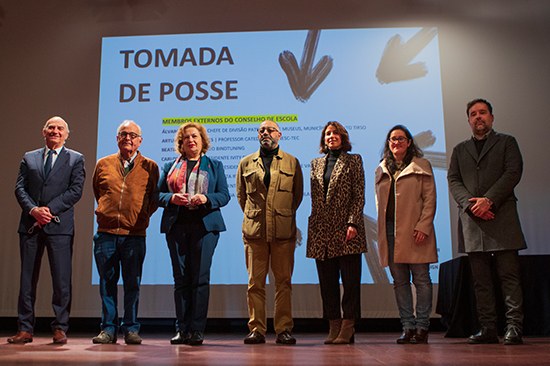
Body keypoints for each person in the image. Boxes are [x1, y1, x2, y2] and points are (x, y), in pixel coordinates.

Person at [448, 98, 526, 345]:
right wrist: (472, 205)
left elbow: (513, 172)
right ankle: (488, 328)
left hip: (501, 217)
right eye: (473, 114)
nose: (478, 117)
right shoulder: (460, 150)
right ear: (468, 120)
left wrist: (489, 200)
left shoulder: (507, 142)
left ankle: (514, 327)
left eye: (483, 112)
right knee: (481, 281)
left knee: (509, 278)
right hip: (474, 222)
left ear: (491, 117)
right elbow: (453, 179)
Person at [9, 116, 85, 345]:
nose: (55, 131)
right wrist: (34, 210)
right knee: (26, 279)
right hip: (30, 225)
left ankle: (60, 328)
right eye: (51, 127)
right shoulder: (29, 157)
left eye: (60, 128)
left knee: (61, 279)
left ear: (67, 134)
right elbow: (19, 188)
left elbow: (76, 191)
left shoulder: (76, 159)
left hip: (59, 226)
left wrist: (48, 210)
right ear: (44, 132)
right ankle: (25, 329)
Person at [158, 122, 230, 346]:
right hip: (177, 226)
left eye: (195, 137)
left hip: (204, 227)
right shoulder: (170, 166)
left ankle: (197, 330)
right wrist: (171, 198)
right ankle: (182, 328)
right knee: (180, 279)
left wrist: (207, 199)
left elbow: (224, 195)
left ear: (202, 141)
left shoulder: (214, 165)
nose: (191, 140)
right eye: (186, 137)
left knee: (199, 279)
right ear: (181, 143)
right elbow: (157, 195)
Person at [91, 120, 159, 345]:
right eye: (123, 134)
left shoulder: (150, 166)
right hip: (106, 233)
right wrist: (107, 212)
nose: (127, 138)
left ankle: (130, 328)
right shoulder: (103, 164)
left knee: (132, 283)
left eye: (132, 135)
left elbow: (153, 199)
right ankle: (108, 329)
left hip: (134, 235)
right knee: (106, 283)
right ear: (117, 138)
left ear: (140, 140)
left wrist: (141, 218)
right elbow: (98, 192)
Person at [236, 120, 303, 345]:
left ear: (279, 135)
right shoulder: (246, 163)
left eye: (270, 129)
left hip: (283, 232)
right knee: (255, 283)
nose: (265, 133)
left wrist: (280, 215)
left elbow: (297, 196)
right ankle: (257, 329)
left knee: (284, 282)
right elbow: (241, 197)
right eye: (261, 130)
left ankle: (283, 329)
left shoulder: (292, 162)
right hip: (255, 233)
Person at [375, 125, 438, 344]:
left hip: (416, 231)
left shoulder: (422, 165)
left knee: (421, 280)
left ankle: (422, 327)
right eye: (393, 139)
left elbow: (430, 200)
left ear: (409, 142)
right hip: (390, 233)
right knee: (399, 282)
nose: (396, 142)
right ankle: (407, 327)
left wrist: (423, 226)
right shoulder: (382, 168)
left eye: (401, 139)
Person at [306, 121, 366, 344]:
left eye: (335, 133)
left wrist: (353, 223)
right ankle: (334, 325)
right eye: (327, 133)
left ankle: (349, 325)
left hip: (346, 229)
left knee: (350, 282)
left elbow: (358, 195)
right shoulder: (315, 164)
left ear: (343, 137)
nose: (331, 136)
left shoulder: (354, 160)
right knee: (327, 283)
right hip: (322, 231)